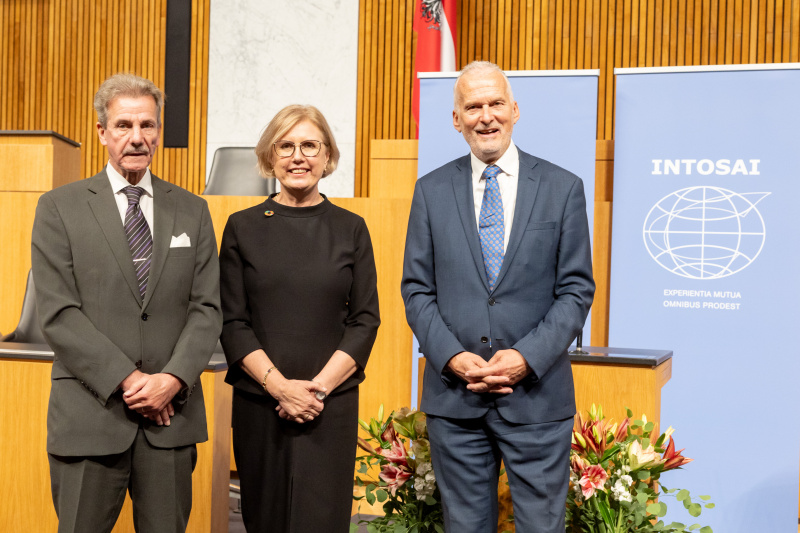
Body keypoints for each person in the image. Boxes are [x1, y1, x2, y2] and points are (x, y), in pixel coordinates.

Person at [401, 61, 595, 533]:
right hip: (456, 399)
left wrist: (526, 357)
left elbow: (575, 289)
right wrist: (451, 357)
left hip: (537, 397)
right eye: (473, 107)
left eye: (494, 104)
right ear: (455, 119)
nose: (485, 116)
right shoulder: (430, 191)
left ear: (514, 110)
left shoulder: (562, 187)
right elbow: (416, 289)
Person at [31, 73, 221, 533]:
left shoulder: (192, 210)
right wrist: (134, 382)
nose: (137, 138)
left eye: (148, 125)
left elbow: (207, 308)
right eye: (123, 125)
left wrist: (172, 380)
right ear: (102, 132)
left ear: (159, 131)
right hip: (89, 419)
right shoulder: (59, 208)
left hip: (170, 422)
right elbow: (57, 313)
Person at [219, 104, 380, 532]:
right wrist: (280, 388)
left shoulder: (352, 229)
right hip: (260, 404)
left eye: (310, 145)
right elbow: (232, 322)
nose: (297, 156)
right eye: (285, 145)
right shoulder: (241, 227)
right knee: (264, 519)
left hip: (329, 406)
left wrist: (316, 391)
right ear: (269, 157)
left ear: (327, 156)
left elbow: (365, 321)